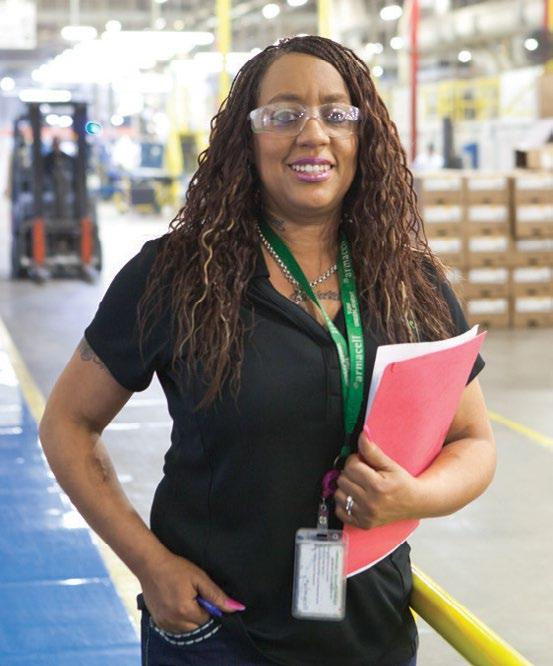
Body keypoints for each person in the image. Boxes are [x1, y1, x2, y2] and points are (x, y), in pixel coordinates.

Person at [39, 35, 496, 666]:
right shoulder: (176, 276)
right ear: (246, 139)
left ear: (362, 136)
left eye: (336, 114)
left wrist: (415, 498)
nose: (314, 134)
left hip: (370, 637)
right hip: (216, 633)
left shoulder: (410, 284)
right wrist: (149, 563)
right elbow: (68, 421)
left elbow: (473, 441)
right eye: (284, 114)